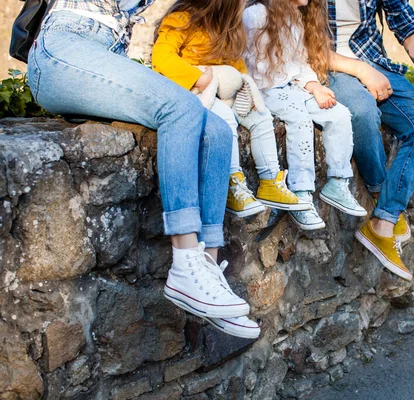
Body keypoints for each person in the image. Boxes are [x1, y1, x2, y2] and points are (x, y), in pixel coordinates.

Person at [26, 0, 259, 339]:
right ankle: (184, 263)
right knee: (179, 108)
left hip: (107, 53)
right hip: (64, 47)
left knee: (217, 131)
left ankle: (207, 265)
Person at [152, 0, 311, 219]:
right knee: (225, 119)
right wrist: (197, 78)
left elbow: (236, 63)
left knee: (261, 117)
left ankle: (270, 181)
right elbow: (161, 56)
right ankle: (232, 183)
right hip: (194, 91)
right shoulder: (181, 20)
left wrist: (247, 86)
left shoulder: (228, 29)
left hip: (224, 90)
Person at [326, 0, 414, 280]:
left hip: (374, 62)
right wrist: (360, 71)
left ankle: (383, 222)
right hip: (327, 68)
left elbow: (405, 23)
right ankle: (385, 196)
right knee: (361, 112)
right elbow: (300, 46)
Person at [243, 0, 367, 231]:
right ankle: (301, 194)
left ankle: (337, 182)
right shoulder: (255, 16)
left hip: (293, 87)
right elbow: (239, 58)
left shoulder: (295, 18)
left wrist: (314, 86)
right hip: (263, 90)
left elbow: (299, 64)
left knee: (338, 114)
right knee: (299, 119)